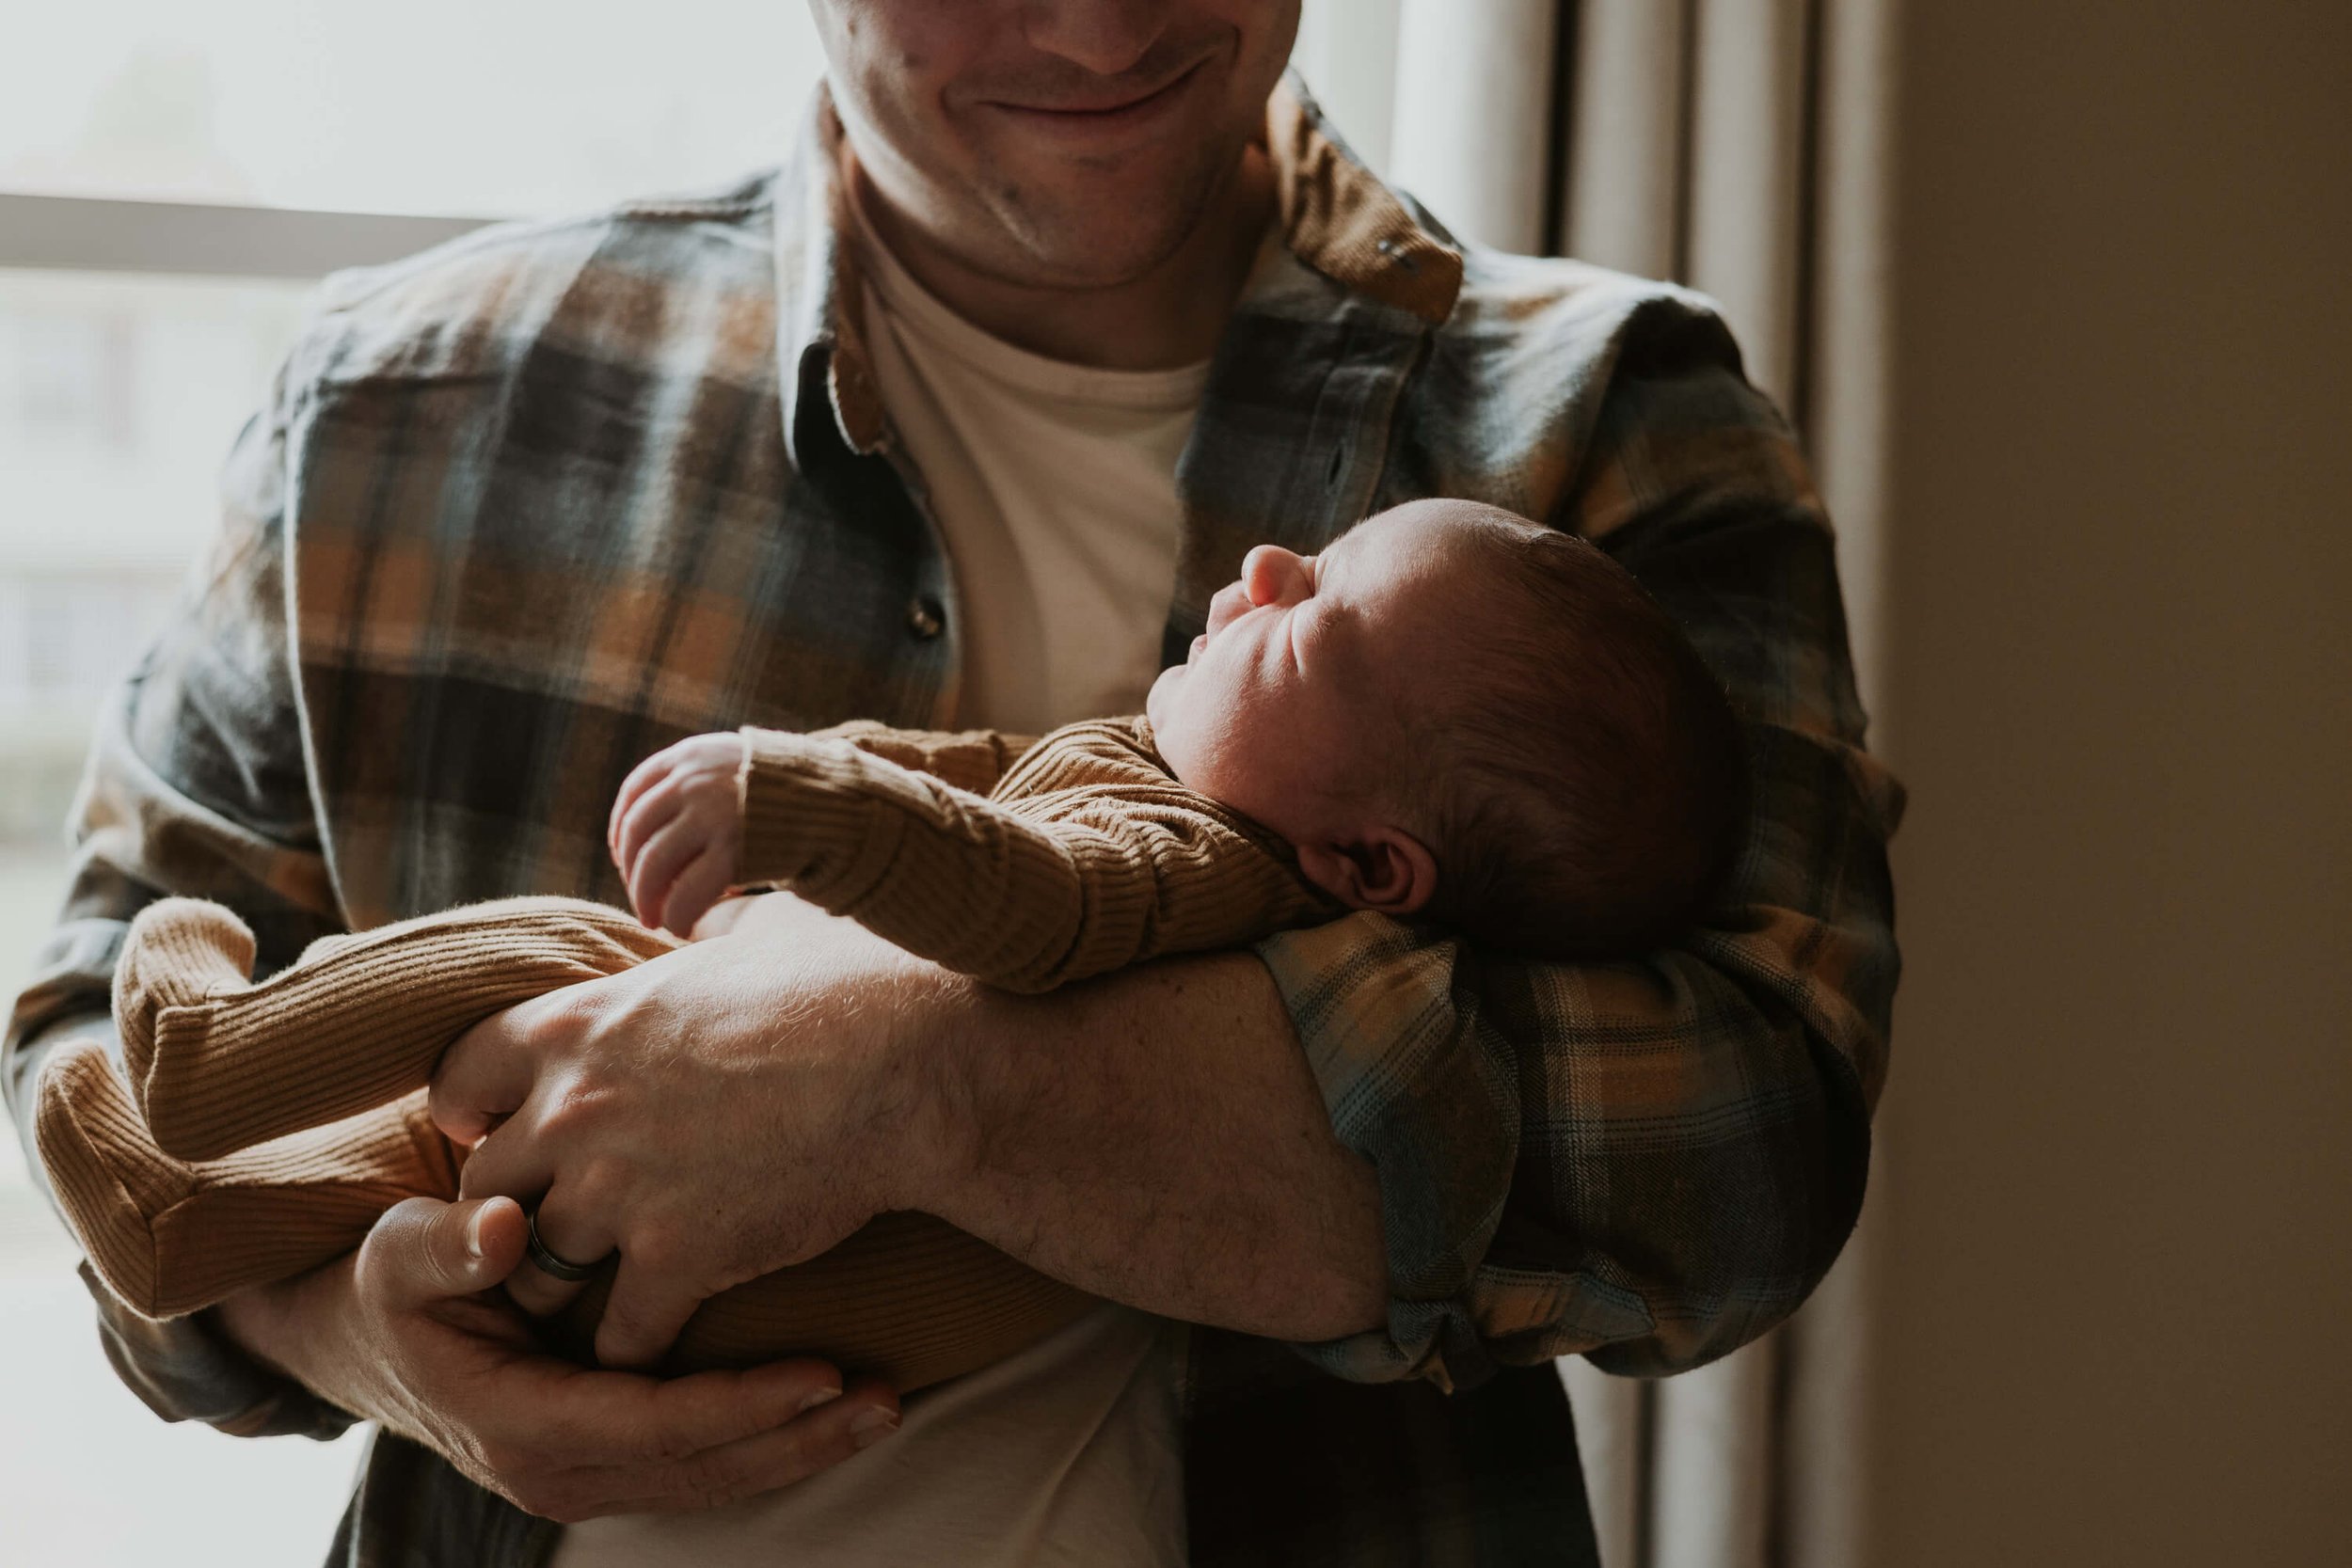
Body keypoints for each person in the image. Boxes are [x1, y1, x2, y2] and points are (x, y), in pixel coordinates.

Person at [0, 3, 1902, 1564]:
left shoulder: (1609, 422)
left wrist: (905, 1075)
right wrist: (363, 1336)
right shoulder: (392, 408)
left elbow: (1736, 1155)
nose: (1088, 25)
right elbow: (89, 1045)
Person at [38, 498, 1750, 1364]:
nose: (1267, 567)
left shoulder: (1202, 867)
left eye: (1317, 629)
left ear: (1373, 869)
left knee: (564, 965)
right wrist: (354, 1351)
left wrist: (801, 806)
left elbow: (1024, 895)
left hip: (781, 1279)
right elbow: (989, 783)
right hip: (710, 1318)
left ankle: (199, 1065)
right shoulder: (1188, 790)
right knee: (442, 1165)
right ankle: (184, 1229)